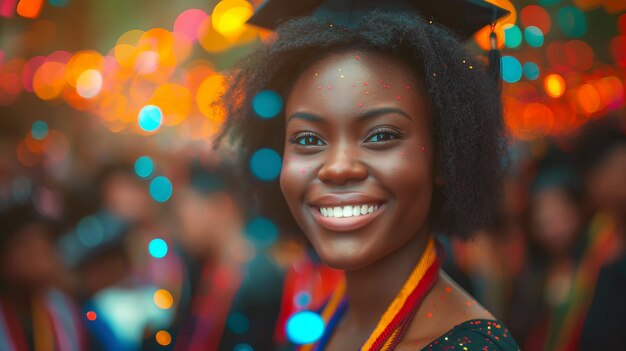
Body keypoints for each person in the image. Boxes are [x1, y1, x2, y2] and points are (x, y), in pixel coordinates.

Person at [217, 0, 520, 349]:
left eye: (381, 135)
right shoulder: (322, 324)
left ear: (443, 155)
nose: (338, 167)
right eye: (308, 139)